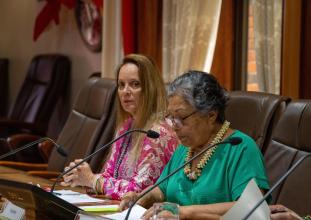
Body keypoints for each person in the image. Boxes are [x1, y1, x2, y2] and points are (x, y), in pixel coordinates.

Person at [120, 70, 270, 219]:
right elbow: (161, 189)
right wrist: (141, 198)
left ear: (211, 114)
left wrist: (184, 212)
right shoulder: (186, 147)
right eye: (171, 118)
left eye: (181, 117)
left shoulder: (240, 148)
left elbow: (251, 209)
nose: (174, 126)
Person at [61, 54, 179, 200]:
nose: (126, 91)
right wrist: (81, 176)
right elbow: (109, 175)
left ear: (151, 88)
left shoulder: (158, 133)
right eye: (121, 85)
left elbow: (138, 191)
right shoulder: (126, 126)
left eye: (135, 84)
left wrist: (93, 180)